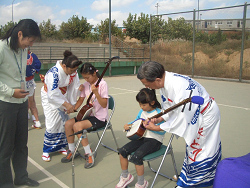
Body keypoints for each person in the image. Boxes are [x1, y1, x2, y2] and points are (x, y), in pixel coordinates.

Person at [137, 61, 221, 188]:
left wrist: (157, 127)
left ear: (157, 79)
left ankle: (192, 183)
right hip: (193, 114)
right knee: (192, 148)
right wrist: (160, 118)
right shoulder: (165, 82)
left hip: (204, 116)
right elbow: (170, 107)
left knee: (200, 150)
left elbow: (182, 119)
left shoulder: (178, 87)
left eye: (146, 84)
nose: (147, 87)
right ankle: (188, 176)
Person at [0, 19, 41, 188]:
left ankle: (21, 177)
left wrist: (23, 93)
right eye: (29, 40)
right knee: (5, 147)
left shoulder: (23, 50)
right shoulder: (2, 48)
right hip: (6, 103)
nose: (30, 45)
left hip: (22, 102)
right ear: (20, 34)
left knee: (21, 145)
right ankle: (5, 182)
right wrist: (11, 92)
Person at [61, 63, 109, 169]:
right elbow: (81, 99)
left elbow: (104, 104)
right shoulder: (86, 84)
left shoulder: (102, 84)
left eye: (87, 77)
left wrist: (96, 92)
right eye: (84, 77)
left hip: (100, 118)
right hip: (89, 114)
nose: (86, 79)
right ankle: (72, 150)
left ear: (94, 73)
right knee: (68, 124)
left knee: (77, 126)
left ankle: (89, 154)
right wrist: (73, 108)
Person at [115, 88, 165, 188]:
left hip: (155, 141)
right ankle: (125, 177)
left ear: (152, 102)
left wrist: (152, 127)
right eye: (140, 105)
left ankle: (141, 183)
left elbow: (163, 130)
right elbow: (136, 122)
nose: (141, 107)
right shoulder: (142, 112)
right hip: (142, 138)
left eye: (143, 105)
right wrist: (128, 125)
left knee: (137, 157)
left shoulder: (159, 114)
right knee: (122, 151)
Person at [40, 50, 82, 162]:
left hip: (63, 96)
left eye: (75, 70)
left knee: (63, 123)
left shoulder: (73, 71)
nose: (74, 72)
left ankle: (60, 146)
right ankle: (47, 149)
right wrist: (66, 104)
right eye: (72, 70)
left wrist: (71, 103)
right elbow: (52, 94)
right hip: (50, 97)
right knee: (52, 123)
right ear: (64, 66)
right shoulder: (53, 73)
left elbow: (74, 87)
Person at [26, 49, 42, 129]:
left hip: (20, 82)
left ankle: (26, 118)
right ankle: (37, 121)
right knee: (32, 101)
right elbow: (38, 65)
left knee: (20, 102)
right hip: (30, 81)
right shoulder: (33, 55)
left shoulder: (18, 55)